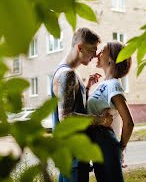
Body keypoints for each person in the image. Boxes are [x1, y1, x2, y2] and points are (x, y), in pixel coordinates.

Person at [51, 28, 113, 182]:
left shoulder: (68, 72)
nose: (95, 55)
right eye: (92, 50)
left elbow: (73, 104)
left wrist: (85, 88)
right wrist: (100, 120)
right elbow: (66, 117)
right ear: (80, 47)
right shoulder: (68, 74)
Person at [86, 41, 135, 182]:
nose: (98, 54)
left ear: (112, 59)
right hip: (98, 145)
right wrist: (89, 87)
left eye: (103, 51)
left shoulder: (113, 85)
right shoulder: (103, 84)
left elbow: (129, 123)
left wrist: (121, 148)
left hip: (106, 144)